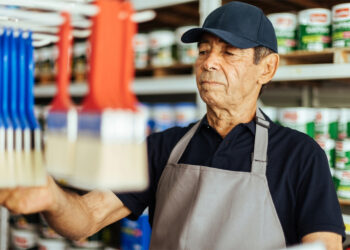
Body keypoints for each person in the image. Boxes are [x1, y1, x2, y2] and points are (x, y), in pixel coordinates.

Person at [0, 1, 345, 249]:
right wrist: (51, 198)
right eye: (203, 51)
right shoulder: (162, 147)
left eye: (228, 53)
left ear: (267, 68)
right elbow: (86, 219)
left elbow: (325, 244)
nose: (209, 63)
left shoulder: (300, 155)